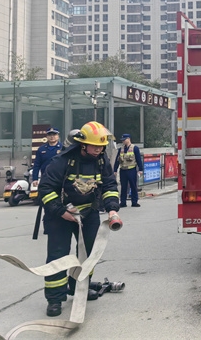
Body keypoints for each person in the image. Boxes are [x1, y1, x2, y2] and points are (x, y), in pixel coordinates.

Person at [38, 121, 121, 317]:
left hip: (88, 214)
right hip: (61, 215)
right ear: (83, 144)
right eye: (95, 146)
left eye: (102, 146)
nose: (99, 150)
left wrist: (112, 210)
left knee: (89, 254)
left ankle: (78, 288)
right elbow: (45, 189)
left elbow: (109, 185)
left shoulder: (101, 160)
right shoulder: (63, 161)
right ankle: (55, 299)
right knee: (58, 256)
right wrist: (61, 212)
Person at [113, 133, 143, 207]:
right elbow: (117, 160)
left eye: (124, 140)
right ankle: (123, 202)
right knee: (123, 187)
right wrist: (115, 170)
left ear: (128, 139)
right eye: (122, 140)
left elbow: (138, 159)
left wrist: (140, 169)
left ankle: (134, 202)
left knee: (133, 186)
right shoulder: (121, 149)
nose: (123, 141)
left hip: (131, 170)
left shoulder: (135, 148)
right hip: (123, 170)